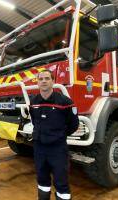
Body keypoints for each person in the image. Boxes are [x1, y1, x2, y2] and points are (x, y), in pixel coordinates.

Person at [29, 69, 79, 200]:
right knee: (42, 179)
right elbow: (35, 121)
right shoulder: (33, 101)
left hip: (58, 148)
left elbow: (73, 124)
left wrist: (58, 135)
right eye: (41, 79)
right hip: (39, 147)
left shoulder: (65, 102)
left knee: (61, 182)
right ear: (37, 83)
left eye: (47, 78)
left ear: (53, 81)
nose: (44, 81)